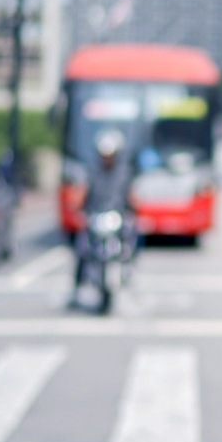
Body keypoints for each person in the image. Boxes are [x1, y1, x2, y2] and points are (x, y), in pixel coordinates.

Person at [70, 128, 136, 308]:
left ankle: (128, 271)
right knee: (82, 248)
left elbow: (129, 196)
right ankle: (77, 286)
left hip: (117, 217)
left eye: (110, 154)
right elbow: (83, 194)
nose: (107, 158)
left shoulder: (124, 172)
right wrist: (79, 210)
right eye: (104, 154)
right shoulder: (92, 171)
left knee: (132, 238)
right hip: (96, 217)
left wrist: (133, 210)